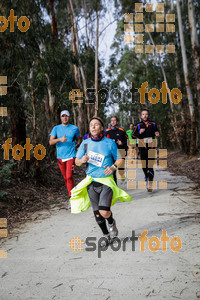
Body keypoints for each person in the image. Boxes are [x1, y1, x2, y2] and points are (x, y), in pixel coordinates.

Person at [70, 117, 132, 247]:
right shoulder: (85, 143)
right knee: (97, 214)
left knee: (104, 211)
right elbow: (76, 161)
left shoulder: (109, 143)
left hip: (106, 181)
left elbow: (119, 159)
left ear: (102, 128)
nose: (93, 127)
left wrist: (113, 167)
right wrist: (82, 160)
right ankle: (106, 236)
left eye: (96, 125)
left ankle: (111, 222)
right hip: (92, 182)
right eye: (91, 125)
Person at [49, 110, 81, 207]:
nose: (64, 118)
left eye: (66, 116)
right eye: (63, 116)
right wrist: (60, 139)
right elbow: (51, 142)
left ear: (69, 117)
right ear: (60, 117)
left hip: (71, 156)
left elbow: (79, 138)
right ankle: (73, 194)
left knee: (69, 176)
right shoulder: (56, 128)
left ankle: (72, 198)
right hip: (60, 157)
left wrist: (78, 145)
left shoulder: (74, 128)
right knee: (65, 178)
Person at [132, 109, 159, 192]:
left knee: (150, 165)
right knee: (144, 165)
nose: (145, 116)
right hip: (142, 146)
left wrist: (157, 133)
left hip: (151, 146)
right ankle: (146, 176)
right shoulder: (138, 125)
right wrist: (139, 133)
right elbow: (133, 135)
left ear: (148, 115)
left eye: (146, 114)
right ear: (141, 116)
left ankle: (150, 183)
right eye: (143, 114)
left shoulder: (153, 124)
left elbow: (157, 130)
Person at [105, 116, 128, 183]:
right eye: (111, 120)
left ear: (117, 122)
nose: (113, 122)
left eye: (114, 120)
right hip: (111, 153)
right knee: (113, 169)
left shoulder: (121, 131)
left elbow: (127, 140)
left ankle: (122, 174)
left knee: (121, 168)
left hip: (120, 151)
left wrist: (122, 143)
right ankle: (115, 185)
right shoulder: (106, 132)